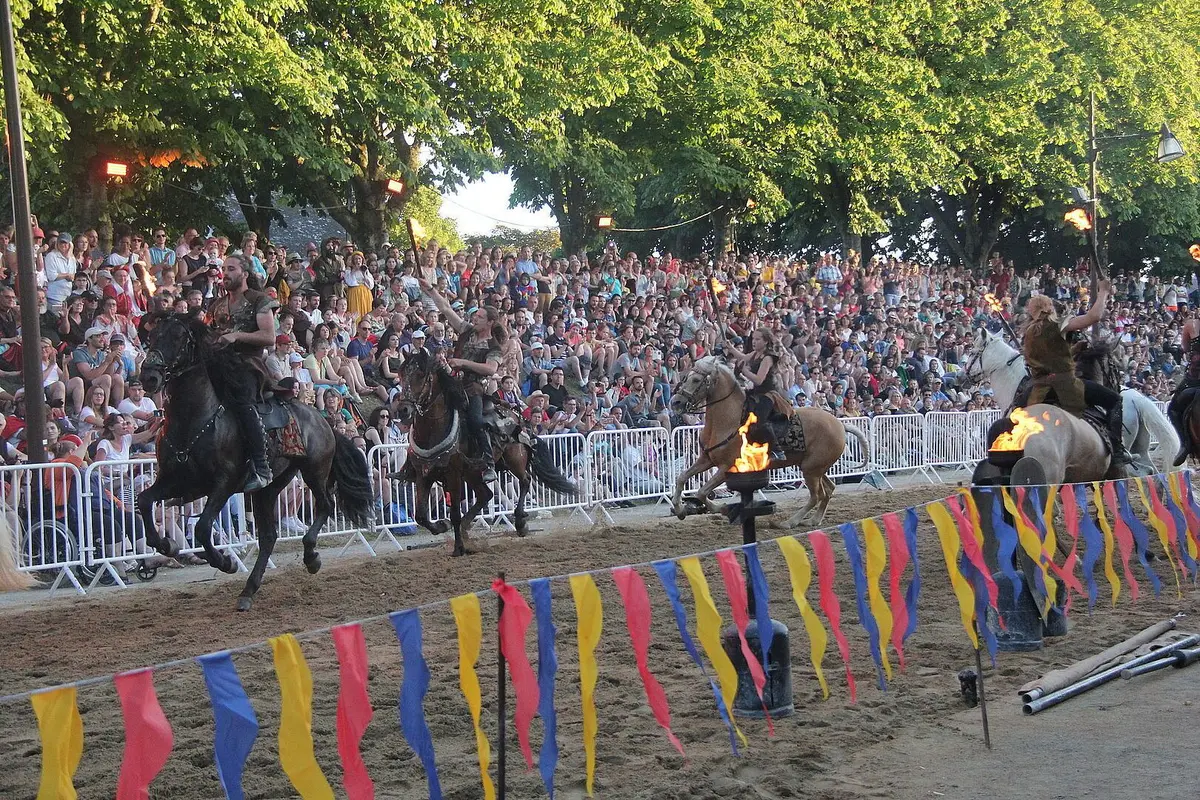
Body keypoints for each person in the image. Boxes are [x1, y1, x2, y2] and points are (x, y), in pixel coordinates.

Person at [1019, 282, 1131, 466]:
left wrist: (1072, 351)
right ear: (1048, 308)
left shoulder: (1030, 331)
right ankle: (1117, 450)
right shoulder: (1055, 325)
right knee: (1115, 400)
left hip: (1038, 390)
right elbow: (1093, 317)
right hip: (1065, 386)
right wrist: (1103, 291)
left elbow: (1049, 359)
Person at [206, 254, 279, 490]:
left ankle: (262, 466)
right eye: (224, 269)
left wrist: (236, 336)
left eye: (231, 269)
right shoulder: (216, 304)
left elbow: (269, 337)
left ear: (245, 274)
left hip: (247, 363)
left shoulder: (260, 300)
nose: (225, 273)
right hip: (218, 363)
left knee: (243, 402)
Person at [419, 278, 502, 482]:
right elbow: (446, 308)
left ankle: (488, 462)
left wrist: (463, 362)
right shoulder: (466, 330)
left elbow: (491, 369)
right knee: (424, 406)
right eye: (476, 315)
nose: (475, 318)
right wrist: (430, 289)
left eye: (480, 317)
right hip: (451, 382)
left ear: (490, 322)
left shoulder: (494, 346)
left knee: (475, 421)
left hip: (472, 389)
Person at [726, 327, 787, 459]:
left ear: (765, 341)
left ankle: (777, 450)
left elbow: (759, 380)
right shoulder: (755, 354)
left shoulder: (768, 358)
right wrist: (731, 349)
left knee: (760, 419)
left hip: (769, 393)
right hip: (756, 392)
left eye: (758, 339)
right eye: (753, 338)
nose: (754, 341)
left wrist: (745, 372)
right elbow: (743, 357)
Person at [1168, 305, 1200, 464]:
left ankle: (1185, 445)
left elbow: (1185, 348)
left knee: (1173, 409)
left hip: (1196, 377)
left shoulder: (1192, 324)